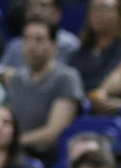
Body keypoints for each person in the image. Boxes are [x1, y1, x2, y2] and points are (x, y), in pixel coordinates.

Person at [6, 20, 83, 160]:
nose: (31, 46)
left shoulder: (66, 78)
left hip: (44, 156)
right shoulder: (15, 79)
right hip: (12, 153)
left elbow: (54, 132)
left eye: (39, 40)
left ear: (54, 46)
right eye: (27, 39)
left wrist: (14, 142)